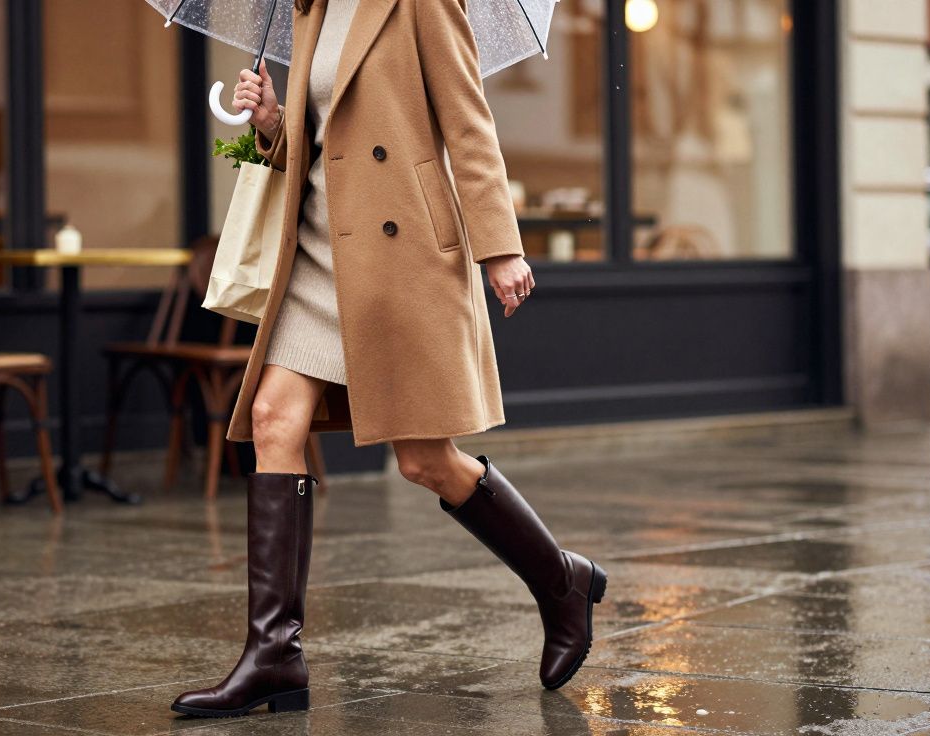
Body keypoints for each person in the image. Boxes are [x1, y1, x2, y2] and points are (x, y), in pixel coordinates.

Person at [170, 0, 606, 718]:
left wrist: (502, 247)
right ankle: (274, 655)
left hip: (397, 258)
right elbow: (326, 140)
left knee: (424, 459)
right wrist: (274, 123)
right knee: (275, 417)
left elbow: (468, 125)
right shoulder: (309, 9)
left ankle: (561, 581)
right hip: (316, 251)